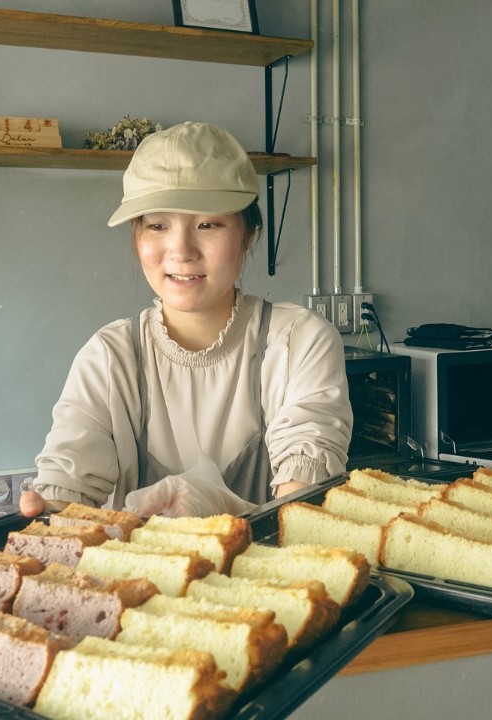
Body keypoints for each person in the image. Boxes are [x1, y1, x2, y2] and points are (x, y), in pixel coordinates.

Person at [19, 121, 352, 518]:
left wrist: (223, 511)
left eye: (207, 224)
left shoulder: (298, 342)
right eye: (157, 225)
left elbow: (302, 507)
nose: (181, 251)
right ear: (137, 237)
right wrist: (50, 509)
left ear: (249, 235)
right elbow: (64, 488)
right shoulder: (111, 357)